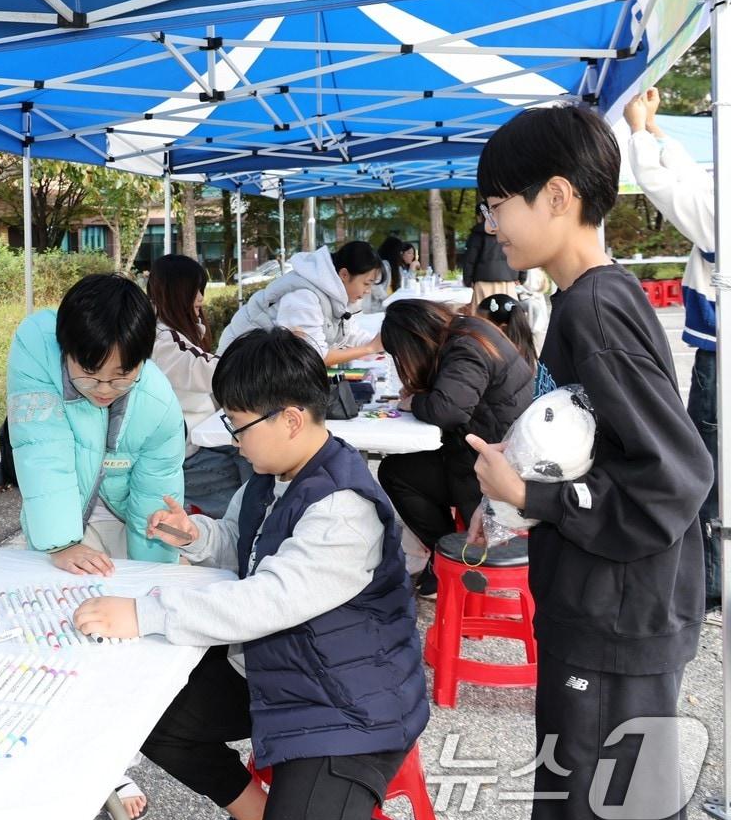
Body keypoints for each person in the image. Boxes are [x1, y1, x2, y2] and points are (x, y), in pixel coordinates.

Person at [74, 327, 428, 820]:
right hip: (281, 670)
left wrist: (145, 613)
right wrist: (196, 535)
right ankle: (258, 812)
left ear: (289, 419)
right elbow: (246, 545)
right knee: (147, 711)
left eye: (238, 424)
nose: (234, 438)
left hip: (347, 701)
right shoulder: (271, 474)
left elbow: (267, 599)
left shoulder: (342, 508)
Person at [472, 104, 711, 820]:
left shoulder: (596, 311)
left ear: (556, 196)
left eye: (495, 204)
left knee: (604, 818)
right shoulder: (589, 300)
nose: (489, 225)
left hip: (613, 616)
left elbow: (674, 474)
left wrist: (531, 495)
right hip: (604, 607)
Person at [6, 271, 185, 820]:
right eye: (90, 375)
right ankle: (78, 756)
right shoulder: (34, 349)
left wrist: (153, 590)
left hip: (119, 505)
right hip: (60, 507)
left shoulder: (155, 402)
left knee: (117, 637)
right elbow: (41, 448)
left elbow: (156, 497)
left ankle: (112, 759)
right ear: (67, 351)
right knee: (54, 635)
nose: (105, 390)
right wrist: (61, 539)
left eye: (121, 377)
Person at [625, 86, 720, 615]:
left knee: (704, 462)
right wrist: (657, 130)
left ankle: (708, 578)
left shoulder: (721, 210)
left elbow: (667, 187)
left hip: (719, 356)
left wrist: (638, 130)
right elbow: (695, 181)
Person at [375, 300, 532, 597]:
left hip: (494, 467)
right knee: (403, 467)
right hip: (494, 449)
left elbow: (447, 411)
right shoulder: (466, 331)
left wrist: (415, 401)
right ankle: (442, 553)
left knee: (397, 472)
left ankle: (447, 553)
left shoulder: (464, 347)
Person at [148, 254, 250, 518]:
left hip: (198, 442)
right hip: (188, 455)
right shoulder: (163, 339)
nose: (201, 299)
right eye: (197, 290)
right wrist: (259, 360)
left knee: (253, 449)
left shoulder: (175, 333)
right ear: (177, 292)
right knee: (255, 460)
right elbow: (206, 370)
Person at [218, 242, 384, 363]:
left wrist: (381, 343)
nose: (367, 291)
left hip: (262, 365)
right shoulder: (304, 296)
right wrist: (369, 348)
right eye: (366, 283)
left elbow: (350, 333)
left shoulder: (333, 295)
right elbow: (313, 355)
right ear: (344, 274)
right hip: (240, 365)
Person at [473, 292, 556, 398]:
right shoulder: (526, 350)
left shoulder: (497, 358)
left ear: (501, 328)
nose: (476, 329)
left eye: (481, 325)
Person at [461, 214, 521, 307]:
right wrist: (521, 276)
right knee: (507, 315)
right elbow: (521, 252)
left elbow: (470, 260)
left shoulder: (477, 234)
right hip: (508, 280)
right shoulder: (512, 231)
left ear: (480, 216)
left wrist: (468, 280)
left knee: (482, 317)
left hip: (482, 281)